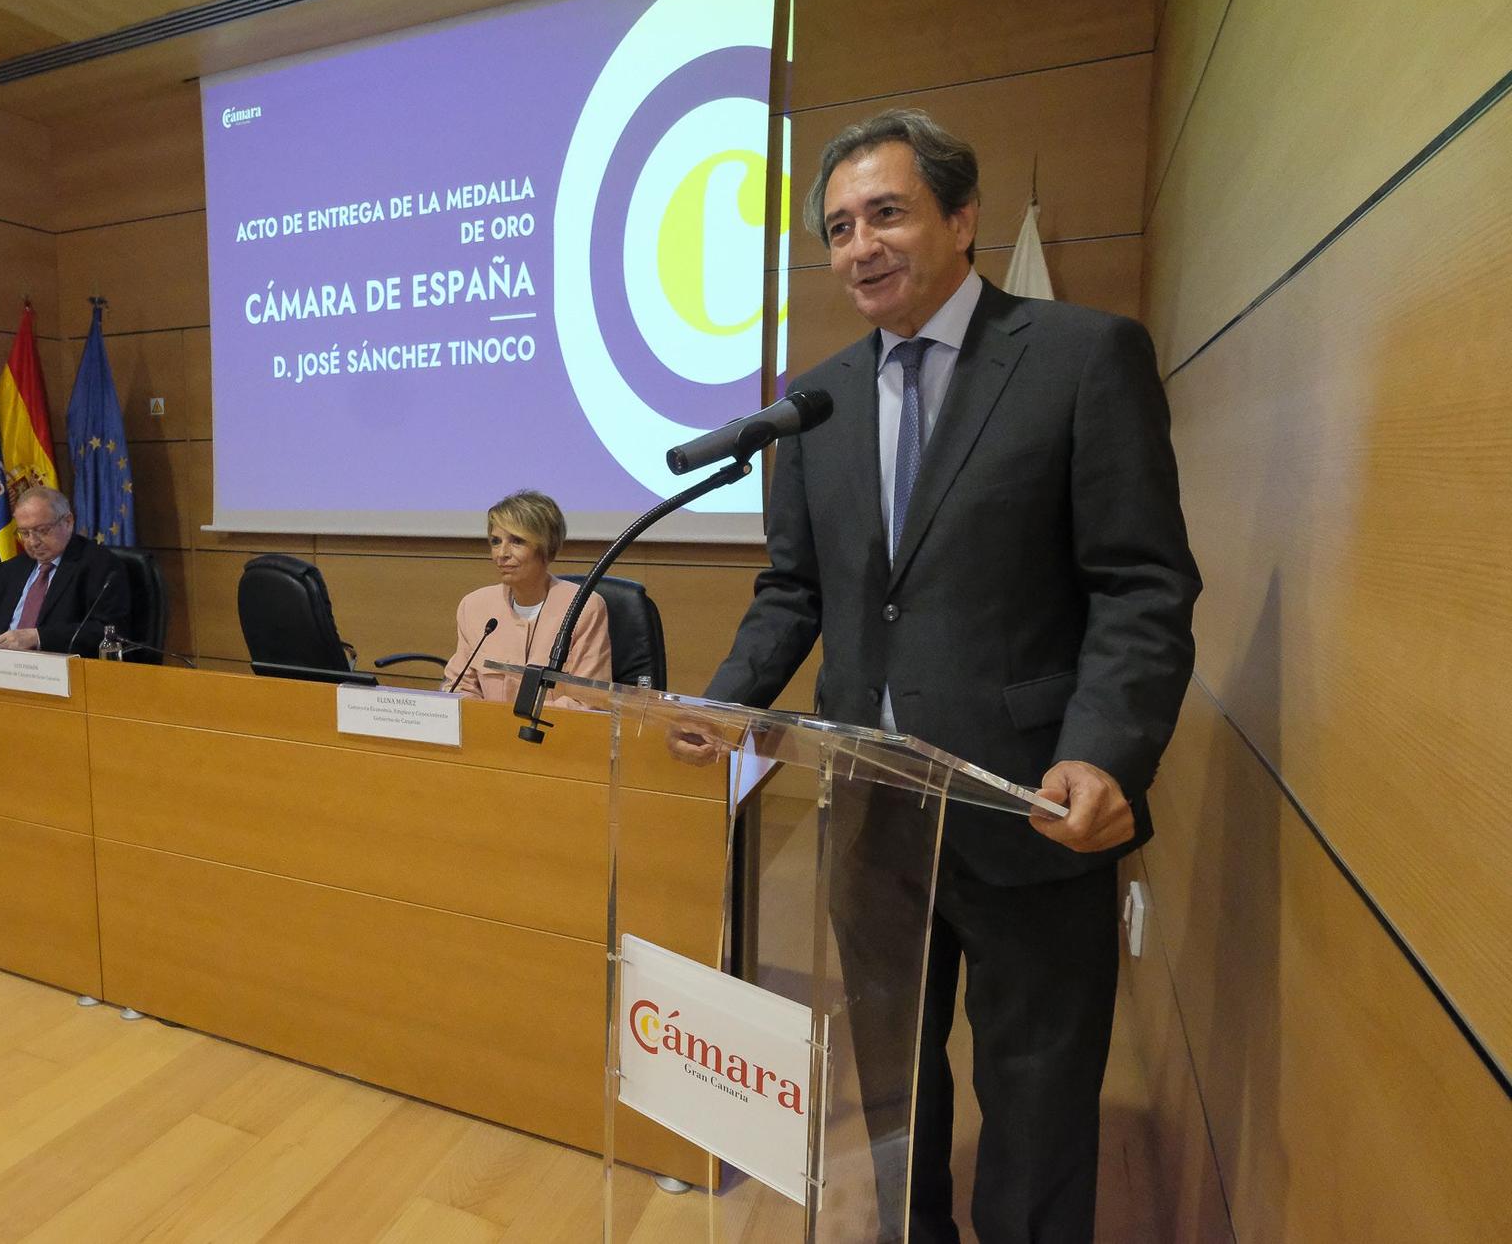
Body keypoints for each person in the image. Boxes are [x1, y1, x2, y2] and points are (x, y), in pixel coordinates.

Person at [674, 109, 1199, 1243]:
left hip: (1030, 806)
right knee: (891, 1080)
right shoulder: (810, 404)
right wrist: (726, 698)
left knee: (1037, 1095)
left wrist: (1105, 748)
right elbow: (793, 591)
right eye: (837, 226)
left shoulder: (1078, 356)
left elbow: (1139, 584)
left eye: (885, 213)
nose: (857, 244)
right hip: (870, 809)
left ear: (961, 219)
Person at [444, 489, 610, 702]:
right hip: (489, 732)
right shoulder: (474, 606)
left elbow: (587, 701)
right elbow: (459, 688)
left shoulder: (584, 606)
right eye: (495, 541)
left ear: (546, 546)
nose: (501, 554)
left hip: (554, 732)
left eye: (517, 541)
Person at [0, 486, 130, 657]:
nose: (33, 542)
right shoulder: (10, 569)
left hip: (59, 671)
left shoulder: (100, 565)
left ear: (68, 522)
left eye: (42, 531)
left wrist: (39, 637)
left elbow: (109, 630)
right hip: (1, 667)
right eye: (24, 533)